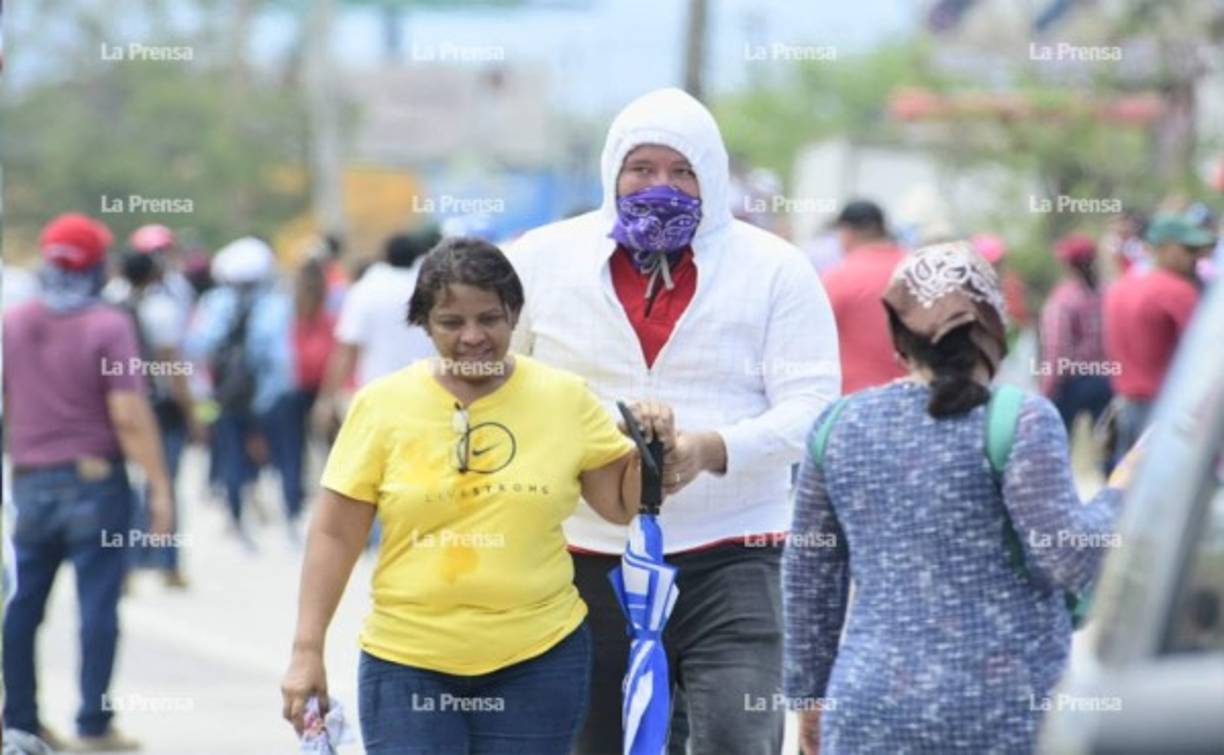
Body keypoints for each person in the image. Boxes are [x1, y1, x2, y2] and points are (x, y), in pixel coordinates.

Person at [508, 87, 841, 755]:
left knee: (735, 737)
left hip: (736, 555)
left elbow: (815, 412)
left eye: (681, 171)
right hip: (582, 556)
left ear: (712, 177)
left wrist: (713, 448)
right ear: (612, 172)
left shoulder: (775, 269)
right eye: (642, 169)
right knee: (594, 742)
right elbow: (501, 388)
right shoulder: (542, 259)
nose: (660, 187)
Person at [281, 238, 662, 754]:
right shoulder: (381, 406)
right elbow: (333, 531)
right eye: (451, 323)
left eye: (490, 318)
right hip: (408, 664)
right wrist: (307, 650)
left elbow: (620, 505)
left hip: (539, 660)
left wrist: (651, 447)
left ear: (514, 314)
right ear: (424, 323)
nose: (473, 337)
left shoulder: (565, 397)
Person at [783, 240, 1140, 754]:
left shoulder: (839, 424)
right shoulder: (1020, 418)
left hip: (868, 708)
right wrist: (1124, 488)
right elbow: (1072, 559)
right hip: (1002, 712)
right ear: (993, 331)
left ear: (899, 335)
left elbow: (808, 578)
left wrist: (808, 699)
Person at [3, 214, 173, 751]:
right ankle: (93, 723)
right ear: (98, 263)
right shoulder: (108, 324)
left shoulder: (13, 321)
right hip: (95, 484)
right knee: (98, 605)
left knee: (23, 604)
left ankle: (22, 720)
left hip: (29, 483)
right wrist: (160, 488)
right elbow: (127, 413)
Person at [186, 236, 300, 548]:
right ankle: (290, 519)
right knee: (285, 457)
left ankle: (237, 522)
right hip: (271, 395)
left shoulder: (215, 302)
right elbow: (281, 356)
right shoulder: (276, 303)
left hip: (228, 395)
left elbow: (198, 346)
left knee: (232, 457)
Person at [115, 250, 201, 587]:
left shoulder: (111, 306)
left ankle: (129, 564)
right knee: (164, 483)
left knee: (131, 487)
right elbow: (174, 369)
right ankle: (168, 563)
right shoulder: (163, 310)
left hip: (123, 406)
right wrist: (192, 413)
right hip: (161, 409)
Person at [1103, 212, 1213, 464]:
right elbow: (1207, 352)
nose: (1196, 258)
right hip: (1166, 409)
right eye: (1188, 249)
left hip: (1126, 405)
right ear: (1164, 249)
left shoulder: (1119, 287)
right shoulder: (1178, 291)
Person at [312, 227, 442, 435]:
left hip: (380, 393)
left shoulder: (366, 290)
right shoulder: (432, 287)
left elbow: (346, 350)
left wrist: (327, 399)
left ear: (385, 257)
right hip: (431, 392)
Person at [821, 199, 908, 394]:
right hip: (914, 396)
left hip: (855, 401)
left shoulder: (838, 277)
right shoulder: (916, 267)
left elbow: (809, 335)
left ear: (848, 233)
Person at [1038, 233, 1112, 433]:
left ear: (1068, 265)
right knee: (1106, 443)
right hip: (1107, 377)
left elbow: (1057, 349)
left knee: (1058, 440)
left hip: (1073, 383)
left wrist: (1046, 390)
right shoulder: (1107, 292)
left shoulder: (1063, 299)